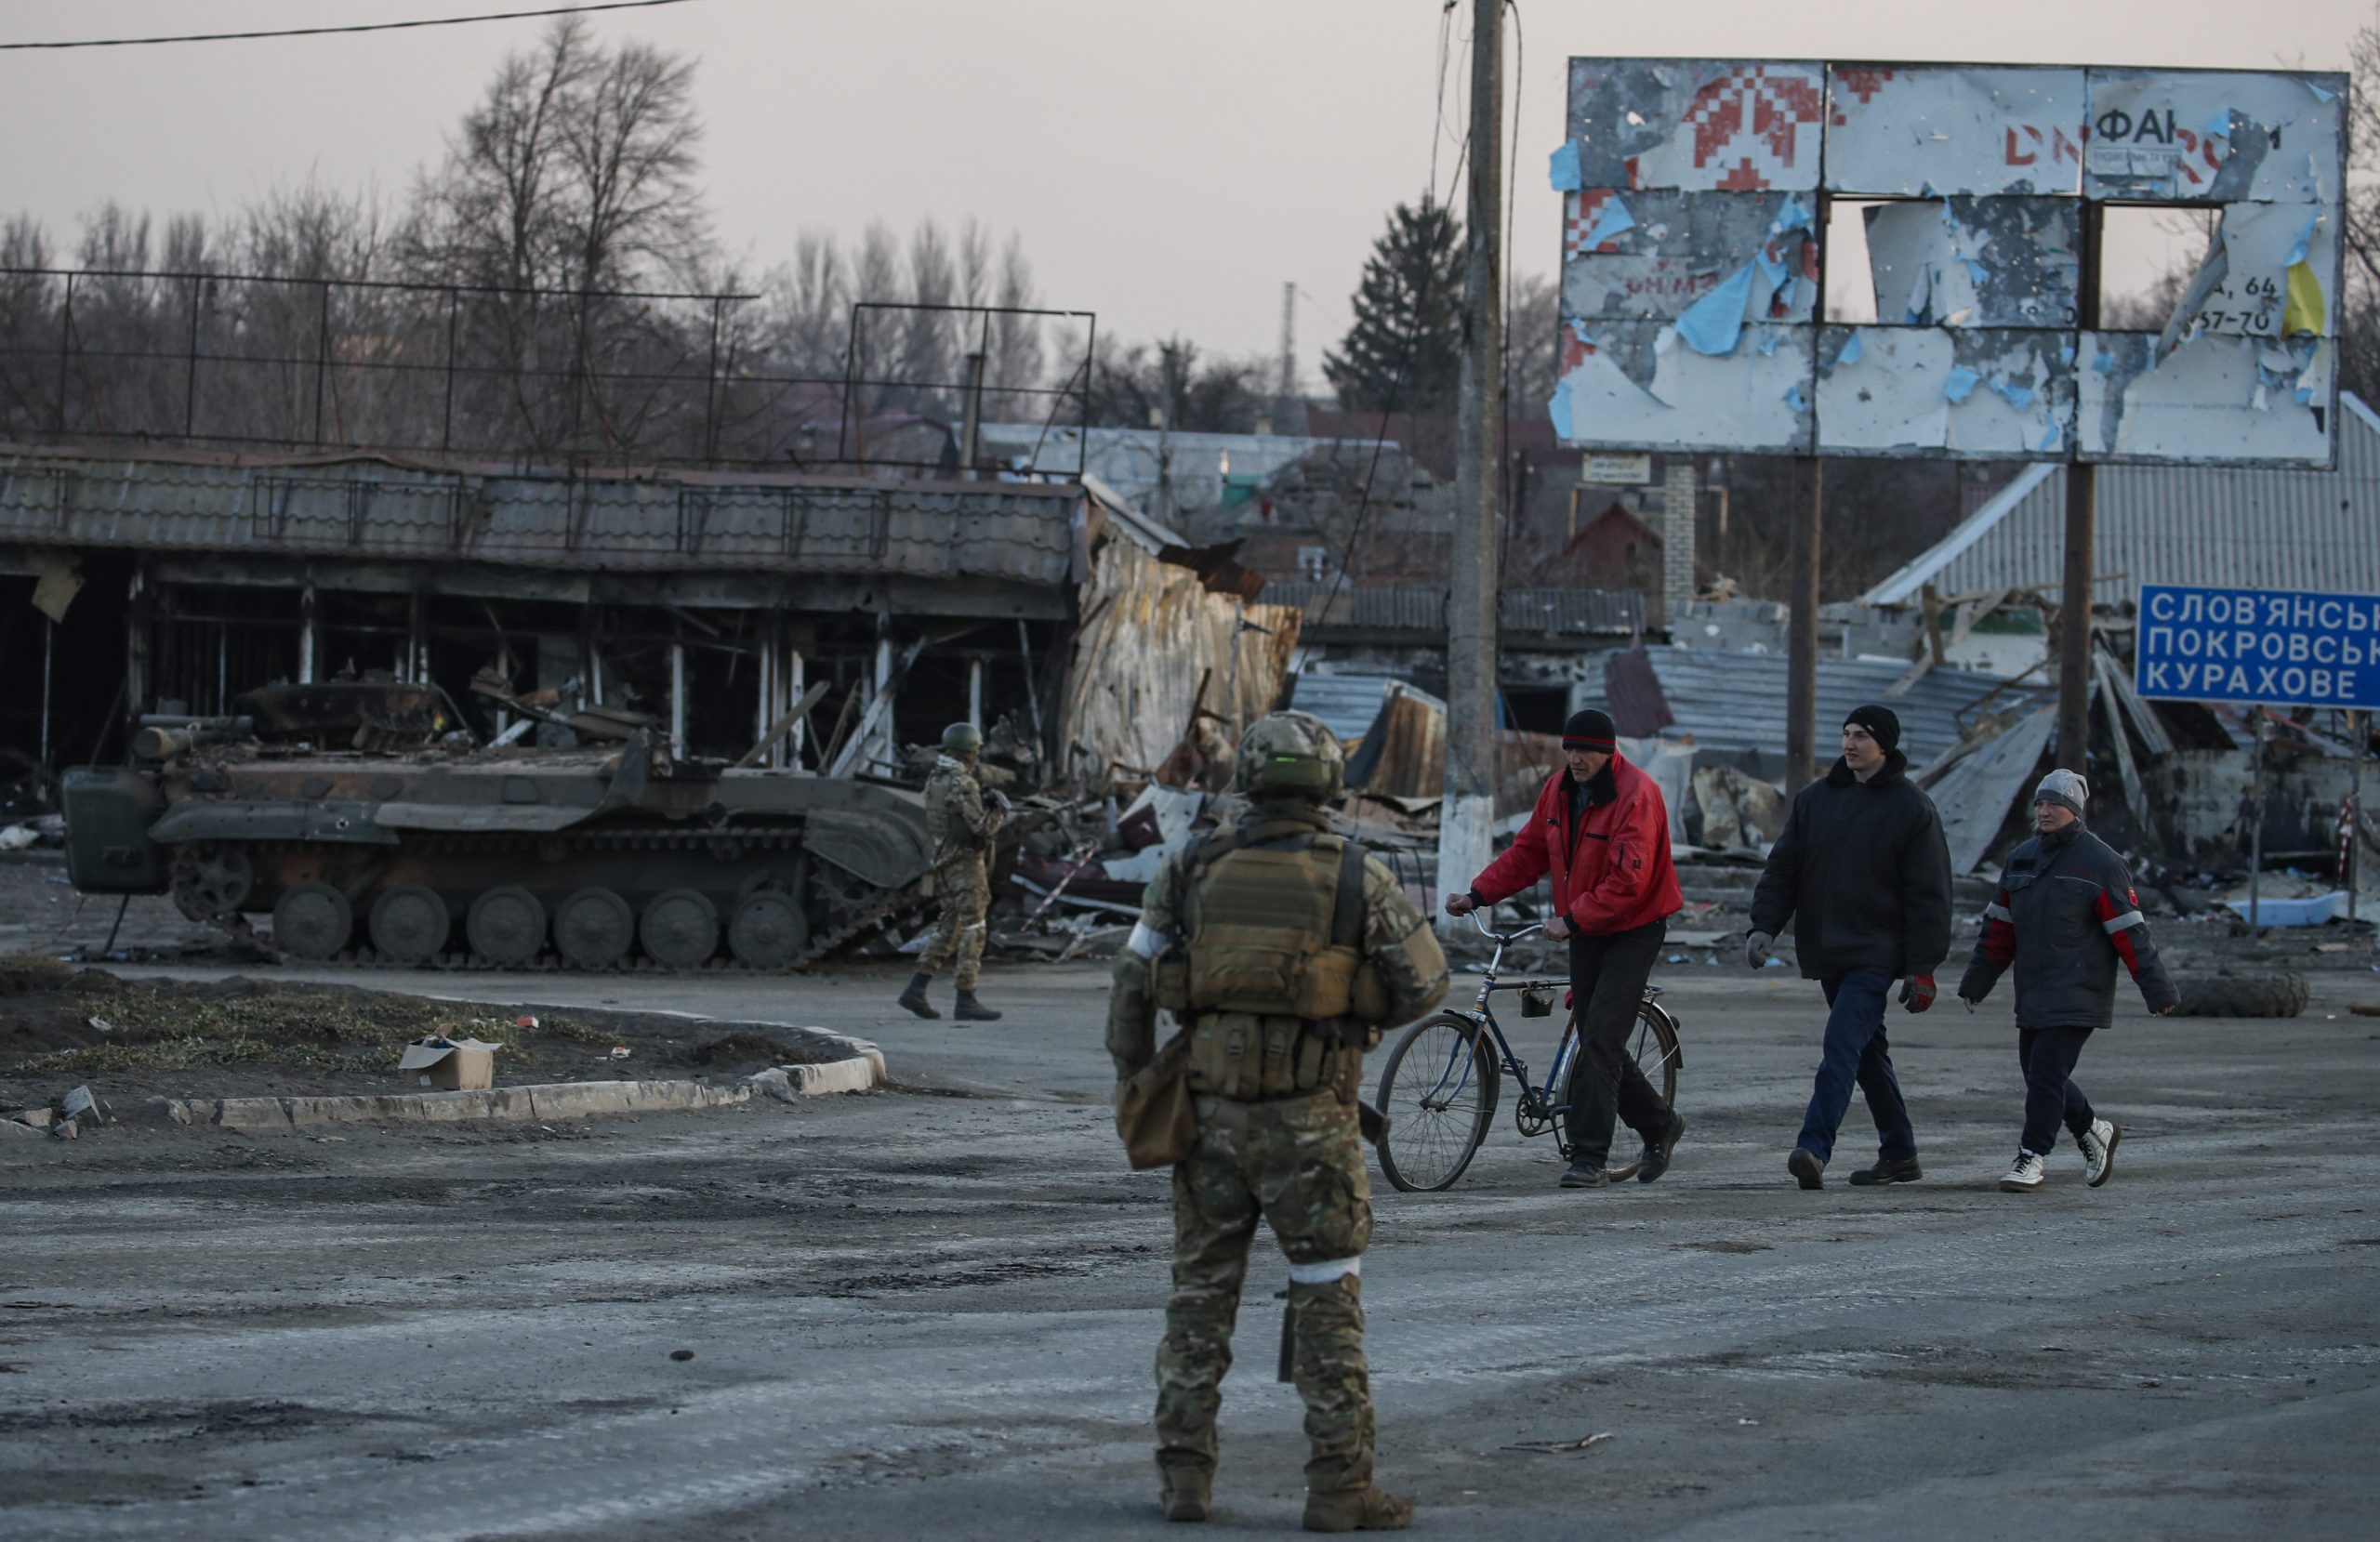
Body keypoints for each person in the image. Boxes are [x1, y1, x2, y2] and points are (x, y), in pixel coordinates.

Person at [1105, 711, 1448, 1531]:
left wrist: (1136, 1079)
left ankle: (1185, 1480)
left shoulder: (1191, 863)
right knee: (1327, 1299)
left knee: (1199, 1297)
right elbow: (1426, 985)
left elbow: (1131, 979)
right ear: (1328, 784)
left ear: (1249, 780)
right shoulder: (1358, 874)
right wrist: (1351, 996)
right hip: (1313, 1126)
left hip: (1209, 1119)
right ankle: (1339, 1489)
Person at [1445, 708, 1686, 1190]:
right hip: (1586, 926)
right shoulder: (1557, 789)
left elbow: (1630, 883)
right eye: (1569, 749)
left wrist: (1571, 919)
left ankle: (1589, 1157)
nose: (1575, 759)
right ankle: (1660, 1124)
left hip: (1634, 927)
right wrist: (1478, 894)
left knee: (1601, 1039)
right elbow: (1528, 853)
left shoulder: (1637, 795)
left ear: (1608, 753)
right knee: (1597, 1033)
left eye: (1585, 751)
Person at [1748, 705, 1952, 1190]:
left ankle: (1814, 1148)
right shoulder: (1816, 800)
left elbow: (1930, 895)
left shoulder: (1912, 808)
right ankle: (1900, 1152)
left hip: (1877, 951)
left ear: (1885, 745)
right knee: (1866, 1053)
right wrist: (1764, 926)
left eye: (1861, 735)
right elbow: (1784, 868)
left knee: (1841, 1045)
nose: (1849, 743)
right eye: (1846, 734)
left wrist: (1922, 967)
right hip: (1829, 949)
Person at [1957, 769, 2176, 1193]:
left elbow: (2130, 933)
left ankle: (2031, 1156)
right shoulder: (2021, 859)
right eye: (2040, 803)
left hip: (2081, 989)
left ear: (2075, 810)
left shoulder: (2103, 863)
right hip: (2034, 990)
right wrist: (1977, 982)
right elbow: (1998, 930)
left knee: (2045, 1073)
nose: (2044, 811)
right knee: (2041, 1075)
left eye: (2055, 804)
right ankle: (2093, 1129)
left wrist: (2157, 989)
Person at [896, 722, 1008, 1021]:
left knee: (949, 927)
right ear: (969, 751)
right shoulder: (963, 783)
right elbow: (982, 829)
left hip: (943, 862)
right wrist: (998, 810)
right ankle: (966, 997)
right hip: (965, 864)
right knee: (974, 928)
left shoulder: (936, 778)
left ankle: (916, 988)